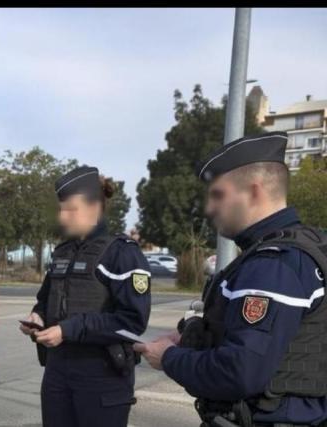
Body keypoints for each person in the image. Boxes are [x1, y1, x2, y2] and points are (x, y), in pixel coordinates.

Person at [135, 132, 327, 427]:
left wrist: (169, 358)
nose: (210, 209)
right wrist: (191, 338)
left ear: (254, 191)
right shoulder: (292, 250)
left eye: (217, 195)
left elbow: (239, 371)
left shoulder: (272, 265)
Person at [20, 166, 151, 427]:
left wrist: (69, 329)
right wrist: (39, 316)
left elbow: (132, 322)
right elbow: (45, 300)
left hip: (102, 375)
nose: (62, 216)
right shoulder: (62, 253)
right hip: (58, 372)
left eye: (70, 209)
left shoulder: (122, 254)